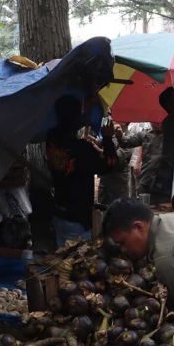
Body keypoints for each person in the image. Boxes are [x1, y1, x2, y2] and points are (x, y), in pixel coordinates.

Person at [46, 95, 118, 246]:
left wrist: (86, 111)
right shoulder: (82, 149)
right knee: (76, 261)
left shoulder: (51, 138)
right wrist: (107, 138)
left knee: (61, 260)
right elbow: (110, 164)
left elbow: (70, 124)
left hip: (59, 211)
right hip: (77, 218)